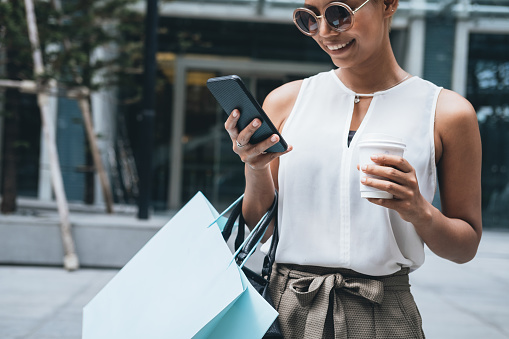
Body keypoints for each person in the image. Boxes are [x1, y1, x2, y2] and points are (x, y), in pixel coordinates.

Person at [224, 0, 482, 337]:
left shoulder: (448, 113)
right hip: (285, 310)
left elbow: (465, 247)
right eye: (309, 19)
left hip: (384, 313)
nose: (325, 32)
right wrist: (255, 167)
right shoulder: (286, 102)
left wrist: (420, 212)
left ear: (388, 4)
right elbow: (262, 227)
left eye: (338, 13)